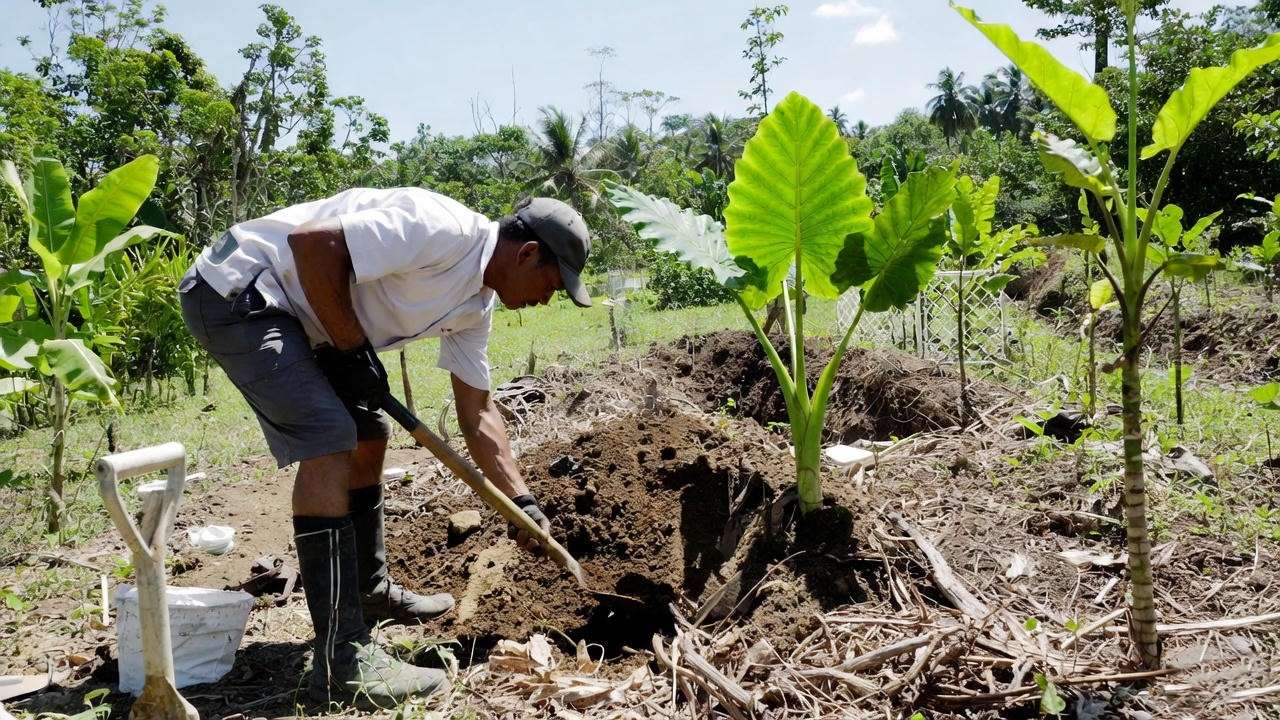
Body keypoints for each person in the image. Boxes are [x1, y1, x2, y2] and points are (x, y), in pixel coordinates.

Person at [178, 189, 591, 706]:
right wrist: (353, 350)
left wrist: (521, 502)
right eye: (552, 284)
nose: (546, 298)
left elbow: (479, 412)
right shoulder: (441, 228)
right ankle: (341, 661)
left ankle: (367, 593)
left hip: (306, 315)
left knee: (369, 433)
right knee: (332, 439)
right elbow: (313, 247)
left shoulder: (474, 308)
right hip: (241, 291)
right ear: (527, 253)